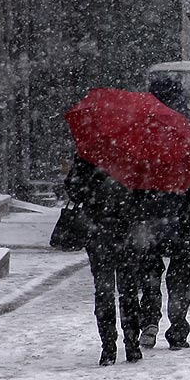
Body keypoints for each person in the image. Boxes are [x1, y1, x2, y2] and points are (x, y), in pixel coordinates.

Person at [138, 76, 190, 348]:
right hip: (187, 211)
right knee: (180, 272)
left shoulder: (143, 127)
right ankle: (177, 326)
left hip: (149, 211)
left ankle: (149, 321)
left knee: (150, 270)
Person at [65, 156, 144, 366]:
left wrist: (92, 195)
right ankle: (131, 343)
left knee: (105, 292)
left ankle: (109, 347)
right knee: (127, 291)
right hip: (124, 233)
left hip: (100, 234)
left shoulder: (88, 155)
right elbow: (146, 193)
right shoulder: (131, 154)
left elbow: (73, 189)